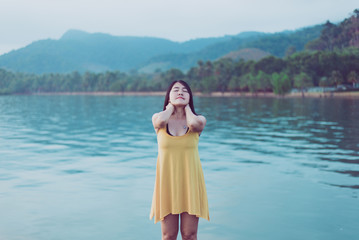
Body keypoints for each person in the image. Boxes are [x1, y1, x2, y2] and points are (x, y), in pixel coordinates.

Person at [149, 80, 210, 240]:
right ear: (168, 96)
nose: (180, 93)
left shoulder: (199, 119)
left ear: (190, 96)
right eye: (175, 90)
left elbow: (194, 124)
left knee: (189, 235)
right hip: (166, 183)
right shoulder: (159, 119)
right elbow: (160, 121)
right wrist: (170, 107)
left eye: (185, 91)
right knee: (168, 235)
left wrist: (187, 108)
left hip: (190, 183)